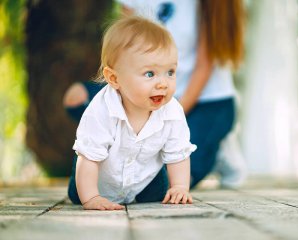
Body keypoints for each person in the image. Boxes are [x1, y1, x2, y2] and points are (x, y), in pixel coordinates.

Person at [64, 0, 245, 189]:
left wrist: (164, 119)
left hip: (205, 101)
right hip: (143, 91)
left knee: (167, 182)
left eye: (171, 71)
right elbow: (121, 52)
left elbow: (203, 67)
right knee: (77, 98)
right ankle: (120, 146)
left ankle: (212, 146)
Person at [67, 15, 196, 210]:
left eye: (170, 72)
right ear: (114, 78)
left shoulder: (172, 111)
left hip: (146, 180)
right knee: (80, 186)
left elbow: (178, 153)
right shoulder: (101, 110)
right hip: (98, 181)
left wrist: (179, 187)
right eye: (150, 74)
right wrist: (91, 198)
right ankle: (85, 191)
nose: (163, 83)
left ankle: (158, 187)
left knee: (160, 192)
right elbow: (90, 159)